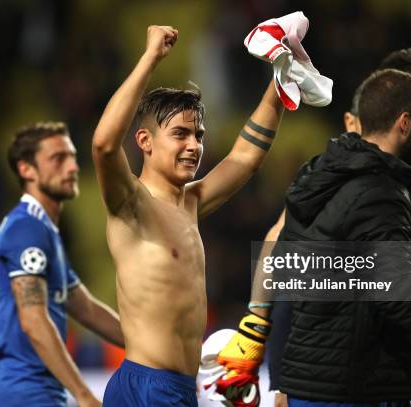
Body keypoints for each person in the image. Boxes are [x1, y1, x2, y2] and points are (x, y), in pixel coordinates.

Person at [220, 70, 411, 406]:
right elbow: (398, 292)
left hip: (310, 385)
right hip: (352, 388)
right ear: (404, 123)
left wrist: (281, 373)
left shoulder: (317, 175)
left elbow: (287, 266)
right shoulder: (381, 191)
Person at [92, 25, 286, 406]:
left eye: (198, 134)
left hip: (178, 387)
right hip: (147, 386)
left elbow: (245, 158)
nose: (194, 145)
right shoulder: (131, 204)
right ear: (145, 141)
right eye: (180, 134)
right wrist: (150, 58)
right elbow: (102, 144)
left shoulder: (191, 202)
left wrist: (280, 83)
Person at [0, 122, 124, 407]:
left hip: (37, 392)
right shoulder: (26, 229)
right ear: (26, 170)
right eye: (58, 159)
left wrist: (152, 349)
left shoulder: (43, 231)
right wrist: (83, 394)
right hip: (23, 393)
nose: (72, 167)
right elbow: (34, 320)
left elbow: (87, 309)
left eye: (72, 157)